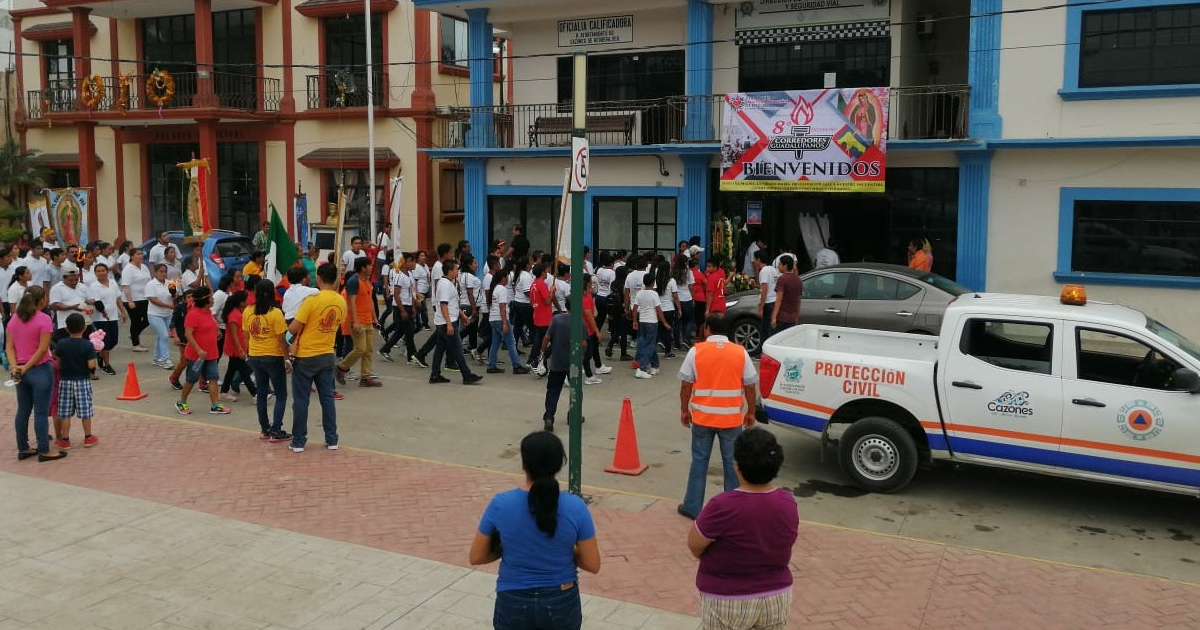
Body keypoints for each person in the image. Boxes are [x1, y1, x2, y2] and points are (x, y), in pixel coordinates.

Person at [469, 431, 601, 630]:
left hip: (513, 600)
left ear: (524, 464)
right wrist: (565, 551)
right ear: (559, 464)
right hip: (561, 600)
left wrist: (507, 548)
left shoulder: (500, 504)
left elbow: (476, 556)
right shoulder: (576, 507)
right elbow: (592, 564)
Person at [687, 428, 798, 630]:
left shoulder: (722, 505)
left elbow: (694, 545)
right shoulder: (788, 502)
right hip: (776, 597)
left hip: (727, 599)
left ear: (736, 465)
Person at [677, 312, 759, 520]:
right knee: (732, 464)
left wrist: (684, 410)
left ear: (707, 329)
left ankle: (693, 506)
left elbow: (686, 385)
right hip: (731, 420)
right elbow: (749, 385)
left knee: (699, 461)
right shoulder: (740, 352)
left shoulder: (696, 352)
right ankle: (732, 509)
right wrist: (750, 411)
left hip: (703, 419)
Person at [287, 263, 346, 452]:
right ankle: (332, 439)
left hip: (306, 355)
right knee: (327, 398)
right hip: (328, 353)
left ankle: (298, 441)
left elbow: (294, 328)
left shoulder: (312, 300)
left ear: (318, 278)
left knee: (301, 400)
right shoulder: (340, 301)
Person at [7, 287, 66, 461]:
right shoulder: (44, 319)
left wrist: (15, 367)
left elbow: (9, 347)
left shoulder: (14, 319)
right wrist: (27, 367)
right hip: (39, 369)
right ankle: (43, 450)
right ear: (41, 300)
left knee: (23, 410)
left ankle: (23, 448)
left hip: (20, 370)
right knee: (40, 412)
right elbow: (42, 349)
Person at [245, 279, 291, 443]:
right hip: (273, 356)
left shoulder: (248, 311)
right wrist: (287, 359)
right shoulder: (275, 313)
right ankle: (276, 430)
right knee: (281, 394)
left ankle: (265, 429)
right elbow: (281, 340)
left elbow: (246, 336)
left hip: (255, 356)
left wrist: (249, 353)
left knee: (262, 393)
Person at [175, 287, 229, 416]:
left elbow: (210, 323)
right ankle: (181, 401)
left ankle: (215, 404)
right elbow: (189, 334)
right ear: (204, 300)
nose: (213, 299)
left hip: (211, 353)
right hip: (196, 355)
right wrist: (198, 350)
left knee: (213, 378)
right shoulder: (193, 314)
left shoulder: (208, 312)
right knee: (191, 379)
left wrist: (216, 330)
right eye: (210, 297)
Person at [428, 259, 482, 385]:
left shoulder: (447, 283)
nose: (458, 271)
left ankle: (435, 374)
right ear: (450, 271)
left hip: (446, 320)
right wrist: (449, 324)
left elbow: (452, 304)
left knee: (440, 349)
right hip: (447, 322)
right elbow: (444, 305)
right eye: (456, 269)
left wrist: (462, 315)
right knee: (457, 348)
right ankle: (466, 375)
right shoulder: (445, 285)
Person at [53, 313, 98, 450]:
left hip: (65, 380)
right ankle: (88, 437)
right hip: (82, 380)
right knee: (85, 410)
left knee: (65, 412)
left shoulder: (61, 343)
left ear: (66, 329)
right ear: (84, 328)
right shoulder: (88, 345)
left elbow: (58, 361)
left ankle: (65, 439)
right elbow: (91, 365)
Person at [540, 306, 587, 432]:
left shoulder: (556, 319)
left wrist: (542, 352)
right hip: (573, 363)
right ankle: (573, 414)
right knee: (576, 390)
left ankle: (549, 417)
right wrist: (581, 356)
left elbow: (547, 338)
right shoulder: (580, 322)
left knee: (553, 390)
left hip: (557, 361)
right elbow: (583, 344)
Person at [336, 256, 381, 388]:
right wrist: (355, 322)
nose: (371, 268)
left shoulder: (367, 281)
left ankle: (365, 377)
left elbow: (370, 300)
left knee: (368, 350)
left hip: (367, 320)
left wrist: (374, 318)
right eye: (369, 265)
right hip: (357, 321)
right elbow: (351, 302)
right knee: (361, 349)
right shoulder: (353, 282)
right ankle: (341, 367)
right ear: (363, 268)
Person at [486, 265, 529, 375]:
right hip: (500, 319)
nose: (508, 279)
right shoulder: (502, 289)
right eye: (507, 277)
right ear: (503, 278)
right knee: (511, 342)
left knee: (495, 343)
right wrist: (505, 322)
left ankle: (491, 365)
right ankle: (516, 365)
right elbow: (502, 307)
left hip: (493, 319)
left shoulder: (494, 288)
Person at [379, 253, 420, 364]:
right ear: (406, 262)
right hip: (400, 307)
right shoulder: (399, 276)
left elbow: (410, 292)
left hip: (408, 306)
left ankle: (384, 349)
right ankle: (412, 357)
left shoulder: (410, 275)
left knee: (400, 332)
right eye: (412, 261)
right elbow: (396, 294)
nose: (414, 264)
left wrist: (413, 307)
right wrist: (402, 310)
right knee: (409, 333)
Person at [88, 262, 126, 375]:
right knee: (106, 342)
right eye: (98, 271)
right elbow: (98, 303)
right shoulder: (94, 286)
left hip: (113, 316)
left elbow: (118, 299)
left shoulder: (113, 283)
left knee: (114, 341)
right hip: (100, 318)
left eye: (103, 270)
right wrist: (104, 314)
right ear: (95, 273)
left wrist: (123, 312)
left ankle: (100, 354)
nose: (101, 273)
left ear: (107, 271)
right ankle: (106, 365)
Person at [219, 290, 256, 402]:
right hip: (235, 348)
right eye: (245, 300)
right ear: (240, 302)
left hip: (237, 347)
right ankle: (255, 394)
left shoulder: (237, 312)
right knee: (245, 371)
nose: (247, 302)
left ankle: (224, 391)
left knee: (232, 370)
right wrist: (240, 349)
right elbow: (234, 334)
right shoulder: (234, 315)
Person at [633, 273, 669, 380]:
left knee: (647, 344)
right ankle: (642, 368)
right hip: (652, 321)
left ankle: (655, 366)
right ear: (653, 282)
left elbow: (635, 308)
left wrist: (634, 321)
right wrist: (664, 322)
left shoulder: (640, 293)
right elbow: (658, 309)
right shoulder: (654, 294)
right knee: (649, 345)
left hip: (642, 321)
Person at [48, 263, 93, 343]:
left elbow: (90, 300)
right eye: (71, 280)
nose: (74, 282)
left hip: (84, 324)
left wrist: (89, 304)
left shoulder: (82, 287)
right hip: (65, 325)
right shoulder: (57, 288)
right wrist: (72, 307)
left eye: (76, 280)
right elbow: (54, 305)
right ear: (64, 278)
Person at [144, 263, 176, 369]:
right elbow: (153, 300)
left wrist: (174, 295)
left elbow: (175, 296)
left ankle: (157, 357)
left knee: (161, 336)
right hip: (155, 314)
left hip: (168, 314)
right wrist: (168, 305)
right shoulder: (151, 284)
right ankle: (165, 359)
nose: (163, 274)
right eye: (161, 272)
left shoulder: (170, 283)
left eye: (165, 271)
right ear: (155, 273)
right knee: (164, 335)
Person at [120, 248, 152, 352]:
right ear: (132, 256)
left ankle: (134, 334)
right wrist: (130, 301)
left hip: (144, 298)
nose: (141, 256)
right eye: (138, 254)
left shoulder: (144, 267)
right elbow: (125, 286)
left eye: (141, 254)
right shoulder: (128, 269)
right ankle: (136, 344)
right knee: (136, 321)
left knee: (148, 319)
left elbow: (149, 281)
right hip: (132, 299)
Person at [753, 250, 779, 354]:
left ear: (759, 259)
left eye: (755, 259)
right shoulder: (773, 270)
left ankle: (764, 353)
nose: (754, 261)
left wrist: (760, 307)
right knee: (771, 329)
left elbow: (764, 290)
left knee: (765, 330)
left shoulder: (763, 271)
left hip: (768, 303)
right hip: (774, 301)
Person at [771, 255, 802, 334]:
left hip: (782, 318)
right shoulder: (798, 280)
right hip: (792, 318)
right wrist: (797, 316)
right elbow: (798, 300)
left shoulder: (782, 279)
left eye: (780, 264)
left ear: (785, 266)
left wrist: (774, 317)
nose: (778, 266)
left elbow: (779, 299)